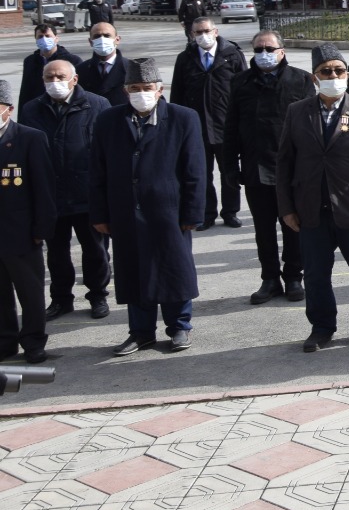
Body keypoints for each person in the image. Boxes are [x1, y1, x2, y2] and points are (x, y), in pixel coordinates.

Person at [277, 45, 349, 351]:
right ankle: (322, 326)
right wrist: (286, 208)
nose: (333, 76)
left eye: (338, 71)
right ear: (315, 78)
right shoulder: (297, 112)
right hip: (312, 209)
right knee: (315, 274)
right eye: (326, 71)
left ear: (347, 75)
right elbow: (285, 162)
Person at [89, 57, 206, 356]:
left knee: (174, 268)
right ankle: (140, 332)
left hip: (169, 211)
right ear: (126, 90)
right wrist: (100, 213)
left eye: (147, 87)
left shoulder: (183, 118)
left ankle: (180, 327)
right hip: (125, 211)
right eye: (135, 88)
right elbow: (98, 170)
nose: (141, 93)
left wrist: (193, 212)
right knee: (133, 271)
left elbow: (194, 170)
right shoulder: (108, 120)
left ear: (160, 89)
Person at [222, 30, 314, 305]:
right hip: (255, 167)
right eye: (259, 49)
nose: (264, 54)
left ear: (281, 51)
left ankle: (294, 276)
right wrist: (230, 166)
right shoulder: (241, 81)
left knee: (293, 226)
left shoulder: (299, 80)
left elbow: (311, 126)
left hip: (292, 169)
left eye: (269, 48)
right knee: (263, 228)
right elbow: (231, 127)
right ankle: (270, 278)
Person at [20, 60, 110, 321]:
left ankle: (98, 295)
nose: (54, 82)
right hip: (50, 195)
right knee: (56, 253)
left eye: (60, 76)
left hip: (87, 194)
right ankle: (61, 299)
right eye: (49, 77)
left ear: (74, 79)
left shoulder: (97, 105)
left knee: (95, 250)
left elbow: (106, 152)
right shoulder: (32, 109)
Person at [169, 15, 246, 230]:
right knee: (201, 174)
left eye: (206, 31)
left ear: (216, 32)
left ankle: (230, 212)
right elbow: (177, 93)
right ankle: (207, 213)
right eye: (198, 33)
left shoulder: (232, 55)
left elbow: (245, 89)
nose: (203, 36)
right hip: (196, 127)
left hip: (226, 125)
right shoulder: (185, 58)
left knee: (229, 172)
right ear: (192, 35)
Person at [0, 81, 56, 364]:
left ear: (8, 110)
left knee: (30, 293)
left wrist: (41, 230)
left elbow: (44, 188)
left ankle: (33, 341)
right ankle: (5, 341)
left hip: (21, 233)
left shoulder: (30, 138)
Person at [21, 23, 81, 107]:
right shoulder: (30, 61)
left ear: (56, 38)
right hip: (38, 107)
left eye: (48, 36)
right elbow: (25, 90)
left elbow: (79, 88)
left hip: (65, 105)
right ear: (36, 39)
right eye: (40, 37)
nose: (44, 39)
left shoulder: (72, 60)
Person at [76, 21, 130, 106]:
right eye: (97, 36)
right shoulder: (80, 70)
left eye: (107, 36)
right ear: (90, 42)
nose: (102, 39)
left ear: (117, 40)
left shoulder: (131, 68)